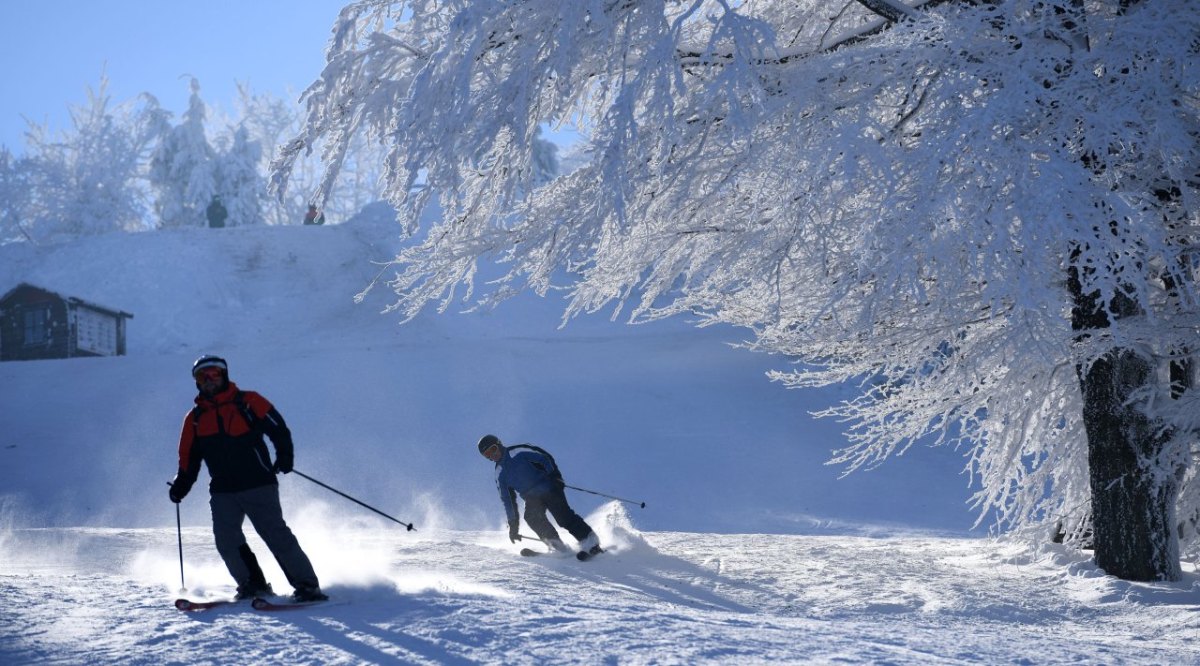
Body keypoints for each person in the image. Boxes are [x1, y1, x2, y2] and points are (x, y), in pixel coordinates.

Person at [169, 355, 327, 602]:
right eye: (202, 377)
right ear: (197, 383)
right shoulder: (196, 418)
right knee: (226, 540)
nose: (209, 381)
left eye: (214, 375)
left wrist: (284, 456)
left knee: (275, 533)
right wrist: (181, 485)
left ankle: (307, 585)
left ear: (224, 376)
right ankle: (253, 585)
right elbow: (188, 458)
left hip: (258, 482)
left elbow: (278, 428)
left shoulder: (248, 401)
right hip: (223, 490)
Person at [478, 434, 602, 556]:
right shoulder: (499, 474)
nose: (493, 455)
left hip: (548, 487)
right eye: (487, 454)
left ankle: (591, 543)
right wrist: (513, 525)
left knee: (563, 518)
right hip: (531, 498)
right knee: (532, 518)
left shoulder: (518, 452)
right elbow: (507, 501)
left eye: (493, 449)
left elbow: (544, 458)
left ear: (499, 444)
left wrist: (555, 476)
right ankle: (558, 547)